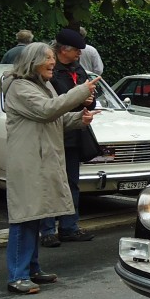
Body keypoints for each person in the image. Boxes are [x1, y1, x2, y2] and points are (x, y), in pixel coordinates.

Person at [1, 42, 98, 293]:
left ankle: (31, 269)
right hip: (29, 161)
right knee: (24, 218)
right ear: (33, 62)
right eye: (47, 58)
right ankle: (17, 276)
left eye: (53, 57)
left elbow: (54, 117)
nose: (52, 62)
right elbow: (47, 110)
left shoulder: (41, 84)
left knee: (36, 214)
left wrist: (79, 118)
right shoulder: (20, 87)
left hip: (41, 159)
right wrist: (78, 92)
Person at [38, 29, 98, 247]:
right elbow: (54, 103)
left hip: (74, 134)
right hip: (54, 133)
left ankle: (69, 227)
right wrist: (79, 97)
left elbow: (89, 95)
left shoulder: (77, 69)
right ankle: (46, 230)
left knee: (71, 183)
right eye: (77, 51)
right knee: (50, 183)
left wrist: (90, 100)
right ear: (64, 50)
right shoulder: (50, 72)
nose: (79, 55)